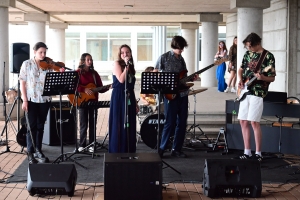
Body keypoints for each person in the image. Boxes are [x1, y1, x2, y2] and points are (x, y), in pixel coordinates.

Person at [19, 42, 65, 164]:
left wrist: (60, 71)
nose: (43, 55)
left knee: (40, 126)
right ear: (34, 52)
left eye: (45, 52)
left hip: (45, 100)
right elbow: (22, 83)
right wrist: (24, 100)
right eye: (41, 52)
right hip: (31, 99)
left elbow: (55, 80)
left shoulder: (49, 65)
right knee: (31, 127)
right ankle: (30, 152)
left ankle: (38, 149)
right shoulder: (27, 64)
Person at [233, 32, 276, 162]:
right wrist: (240, 80)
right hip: (245, 90)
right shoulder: (247, 54)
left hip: (258, 92)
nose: (248, 49)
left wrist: (262, 77)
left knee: (254, 122)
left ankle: (258, 153)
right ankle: (247, 152)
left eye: (250, 46)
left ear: (257, 44)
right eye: (247, 47)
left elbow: (272, 77)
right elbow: (240, 69)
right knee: (243, 121)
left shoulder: (268, 56)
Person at [154, 36, 198, 158]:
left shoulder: (181, 60)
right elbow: (155, 72)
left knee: (182, 122)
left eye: (182, 48)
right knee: (170, 122)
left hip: (183, 94)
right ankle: (162, 148)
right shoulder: (164, 57)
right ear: (174, 46)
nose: (181, 50)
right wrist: (162, 85)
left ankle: (176, 149)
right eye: (179, 48)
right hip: (169, 95)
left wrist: (191, 78)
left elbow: (184, 76)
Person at [109, 44, 139, 153]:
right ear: (120, 54)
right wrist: (126, 67)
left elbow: (131, 87)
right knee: (120, 123)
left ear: (130, 54)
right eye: (122, 53)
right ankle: (117, 150)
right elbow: (121, 80)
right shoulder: (117, 64)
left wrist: (135, 103)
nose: (125, 54)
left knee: (129, 123)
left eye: (127, 52)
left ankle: (128, 149)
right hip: (119, 96)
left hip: (129, 96)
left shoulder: (131, 66)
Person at [76, 53, 108, 153]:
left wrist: (108, 87)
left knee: (93, 124)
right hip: (82, 101)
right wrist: (84, 89)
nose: (90, 61)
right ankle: (82, 145)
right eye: (88, 60)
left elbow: (100, 88)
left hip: (93, 102)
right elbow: (73, 86)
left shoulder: (94, 74)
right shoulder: (78, 72)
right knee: (83, 124)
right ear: (83, 61)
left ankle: (92, 144)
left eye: (91, 59)